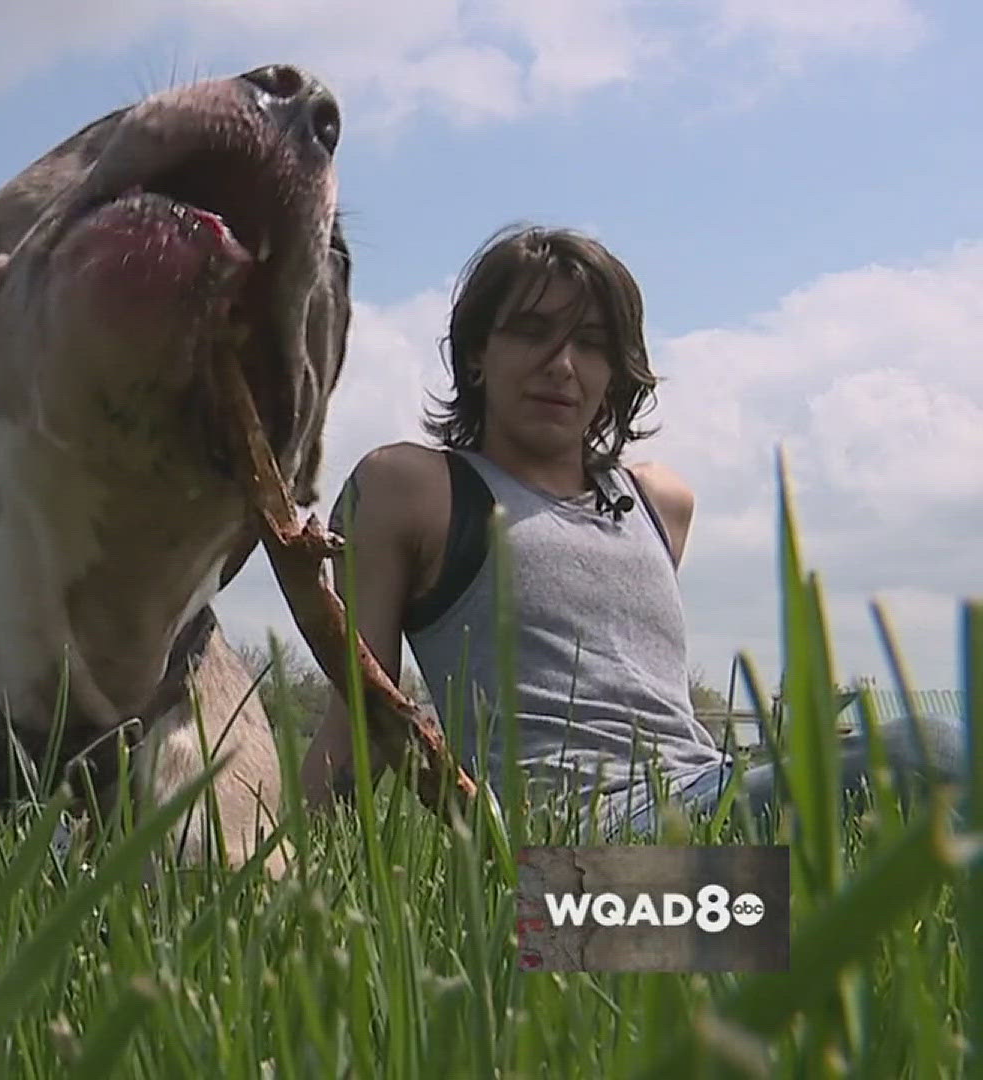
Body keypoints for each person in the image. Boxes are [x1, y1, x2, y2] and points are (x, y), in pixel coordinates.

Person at [297, 223, 968, 837]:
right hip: (575, 857)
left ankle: (756, 928)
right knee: (932, 753)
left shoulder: (659, 500)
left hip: (713, 798)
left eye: (591, 344)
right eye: (532, 331)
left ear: (617, 370)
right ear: (476, 353)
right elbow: (364, 714)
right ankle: (645, 929)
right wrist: (280, 864)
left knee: (936, 765)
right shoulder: (413, 487)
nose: (562, 365)